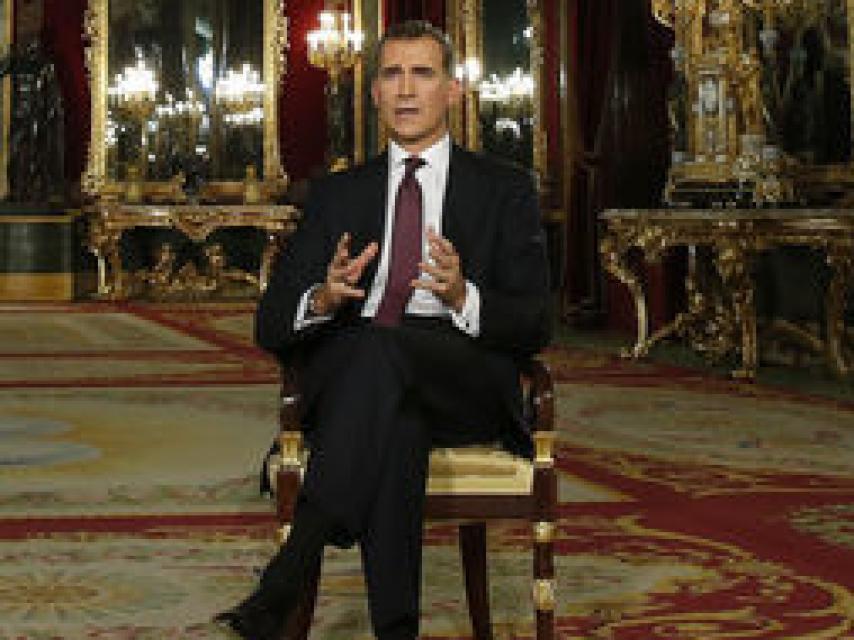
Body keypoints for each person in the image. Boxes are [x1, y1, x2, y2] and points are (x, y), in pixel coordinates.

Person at [215, 20, 551, 640]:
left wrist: (462, 295)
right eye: (392, 74)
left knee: (380, 350)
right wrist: (322, 295)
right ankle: (396, 628)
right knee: (390, 406)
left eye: (422, 73)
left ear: (452, 90)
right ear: (374, 92)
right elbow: (269, 324)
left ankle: (289, 572)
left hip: (463, 380)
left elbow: (536, 322)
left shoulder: (504, 189)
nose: (405, 90)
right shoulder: (337, 195)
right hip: (368, 392)